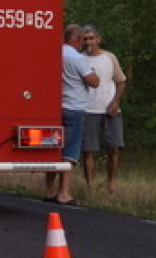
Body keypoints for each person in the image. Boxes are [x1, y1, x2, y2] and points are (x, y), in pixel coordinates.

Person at [45, 24, 99, 205]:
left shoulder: (54, 53)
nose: (84, 43)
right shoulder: (77, 58)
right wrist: (94, 73)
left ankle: (49, 190)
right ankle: (64, 193)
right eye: (83, 39)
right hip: (74, 107)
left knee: (54, 149)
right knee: (69, 153)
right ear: (77, 40)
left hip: (55, 107)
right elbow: (93, 82)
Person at [80, 25, 126, 193]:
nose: (88, 42)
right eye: (85, 39)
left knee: (114, 146)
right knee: (89, 149)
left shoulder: (109, 57)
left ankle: (111, 181)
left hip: (109, 108)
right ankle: (90, 184)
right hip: (89, 109)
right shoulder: (80, 59)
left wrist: (115, 102)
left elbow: (121, 82)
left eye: (91, 38)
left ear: (98, 39)